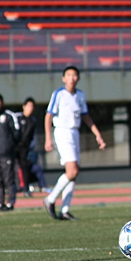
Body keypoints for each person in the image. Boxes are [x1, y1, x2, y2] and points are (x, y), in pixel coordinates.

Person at [43, 66, 106, 221]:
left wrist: (98, 135)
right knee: (72, 171)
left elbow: (86, 116)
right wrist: (48, 138)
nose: (72, 78)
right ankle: (50, 199)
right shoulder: (58, 94)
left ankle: (65, 209)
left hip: (75, 132)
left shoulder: (80, 95)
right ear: (64, 78)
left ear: (78, 78)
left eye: (74, 75)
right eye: (68, 75)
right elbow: (48, 116)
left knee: (73, 173)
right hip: (62, 132)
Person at [15, 97, 37, 198]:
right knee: (11, 167)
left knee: (25, 168)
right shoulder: (18, 118)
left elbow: (32, 137)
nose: (30, 108)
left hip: (25, 148)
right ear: (24, 107)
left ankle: (25, 188)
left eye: (32, 106)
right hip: (14, 147)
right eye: (29, 106)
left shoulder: (33, 121)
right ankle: (13, 188)